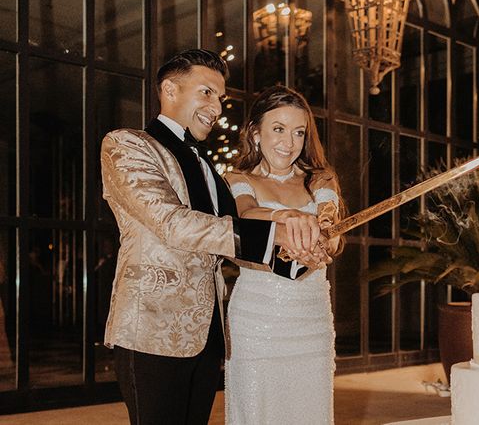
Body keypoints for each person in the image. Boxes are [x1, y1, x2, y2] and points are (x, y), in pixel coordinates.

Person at [101, 49, 329, 425]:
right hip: (152, 331)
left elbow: (231, 241)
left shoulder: (208, 165)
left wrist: (298, 254)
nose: (217, 107)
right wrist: (275, 230)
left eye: (220, 98)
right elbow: (171, 223)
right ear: (170, 90)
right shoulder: (127, 144)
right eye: (207, 92)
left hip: (208, 335)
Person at [224, 85, 344, 424]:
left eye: (298, 133)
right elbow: (246, 213)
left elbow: (330, 224)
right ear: (255, 132)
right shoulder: (237, 178)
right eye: (278, 129)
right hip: (256, 319)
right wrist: (284, 217)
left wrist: (323, 234)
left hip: (311, 319)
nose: (288, 143)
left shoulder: (320, 179)